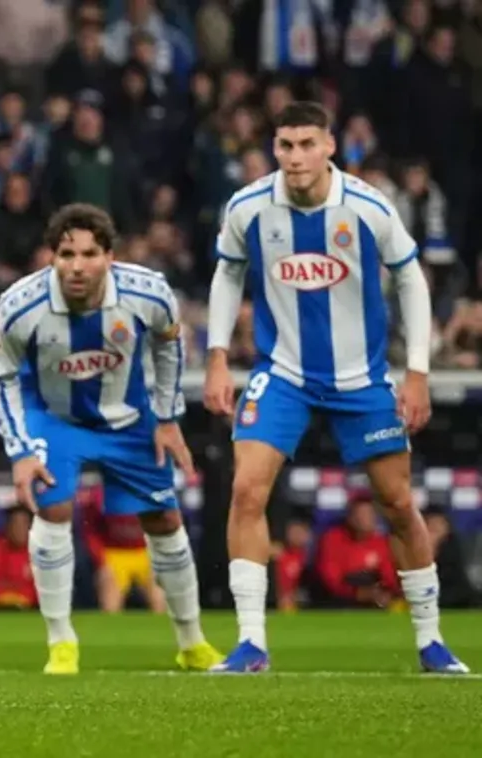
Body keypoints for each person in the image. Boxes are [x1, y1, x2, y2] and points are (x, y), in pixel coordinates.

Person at [203, 101, 469, 674]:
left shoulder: (368, 206)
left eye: (307, 144)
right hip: (283, 373)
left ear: (330, 147)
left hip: (361, 379)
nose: (295, 156)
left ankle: (431, 640)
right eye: (285, 145)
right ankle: (251, 643)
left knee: (398, 503)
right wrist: (217, 357)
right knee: (246, 490)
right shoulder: (248, 206)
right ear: (274, 148)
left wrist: (417, 372)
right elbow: (227, 272)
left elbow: (411, 278)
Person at [0, 203, 222, 675]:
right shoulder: (20, 304)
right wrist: (21, 450)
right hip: (55, 419)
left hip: (128, 419)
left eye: (89, 254)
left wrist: (168, 418)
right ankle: (61, 643)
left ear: (110, 256)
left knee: (164, 518)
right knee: (53, 508)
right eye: (66, 254)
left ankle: (192, 643)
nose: (77, 266)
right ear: (51, 257)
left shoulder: (148, 292)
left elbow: (170, 343)